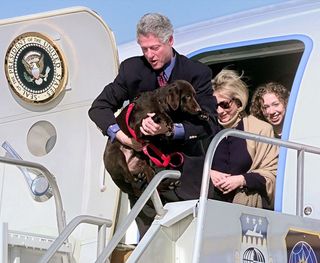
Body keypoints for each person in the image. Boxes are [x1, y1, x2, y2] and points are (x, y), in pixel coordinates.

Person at [88, 13, 218, 238]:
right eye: (144, 48)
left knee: (191, 242)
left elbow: (211, 124)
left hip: (186, 177)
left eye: (155, 48)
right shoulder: (132, 70)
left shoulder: (196, 73)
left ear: (170, 41)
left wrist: (170, 130)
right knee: (150, 246)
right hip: (145, 181)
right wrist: (125, 139)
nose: (149, 55)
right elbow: (99, 108)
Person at [209, 69, 278, 209]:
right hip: (211, 206)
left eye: (225, 104)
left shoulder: (260, 129)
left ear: (239, 102)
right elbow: (192, 165)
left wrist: (242, 180)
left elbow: (272, 174)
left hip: (246, 208)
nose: (220, 111)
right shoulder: (208, 129)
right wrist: (209, 173)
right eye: (215, 105)